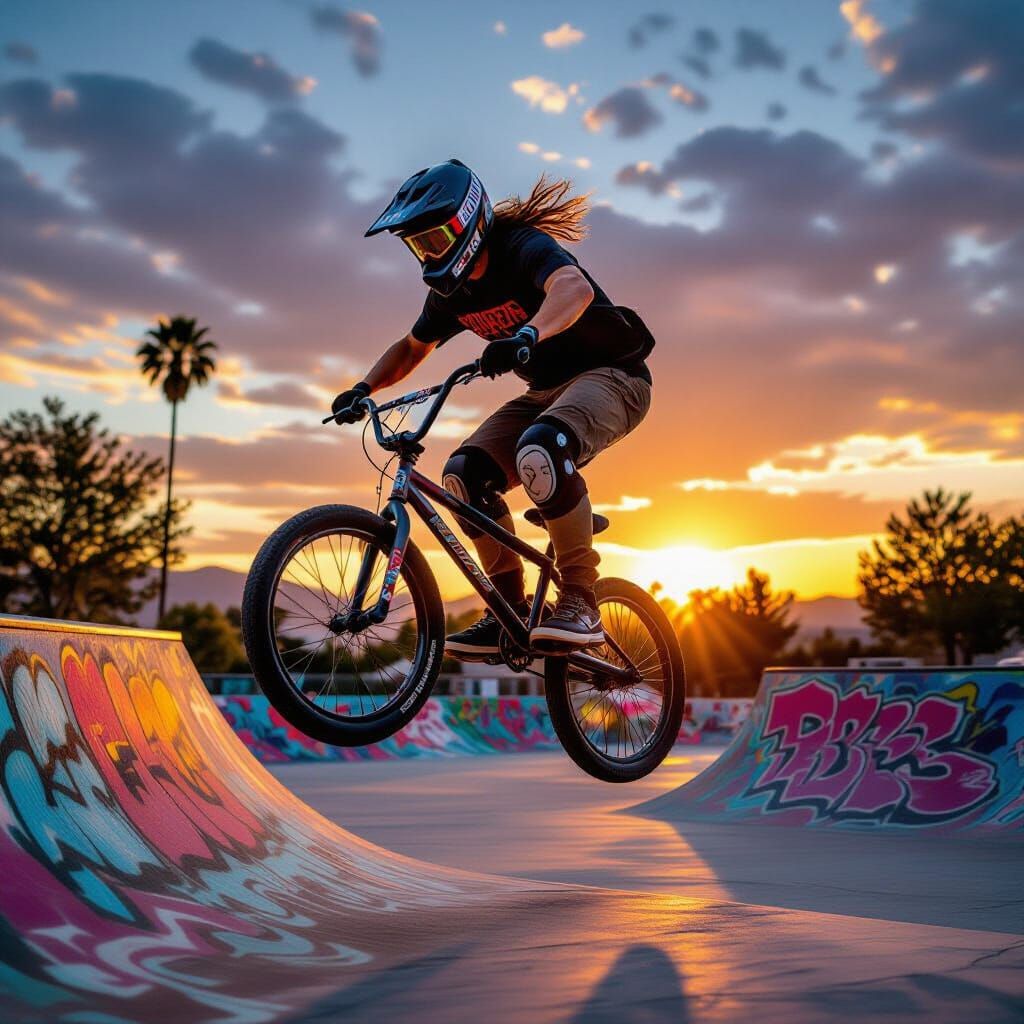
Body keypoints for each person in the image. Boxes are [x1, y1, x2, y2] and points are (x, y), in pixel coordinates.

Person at [332, 160, 654, 657]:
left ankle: (581, 601)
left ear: (467, 223)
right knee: (463, 475)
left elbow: (575, 289)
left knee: (542, 449)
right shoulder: (452, 294)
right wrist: (363, 387)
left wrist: (528, 332)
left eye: (435, 239)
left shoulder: (520, 247)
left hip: (614, 376)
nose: (429, 253)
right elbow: (413, 347)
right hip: (544, 391)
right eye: (418, 245)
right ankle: (509, 607)